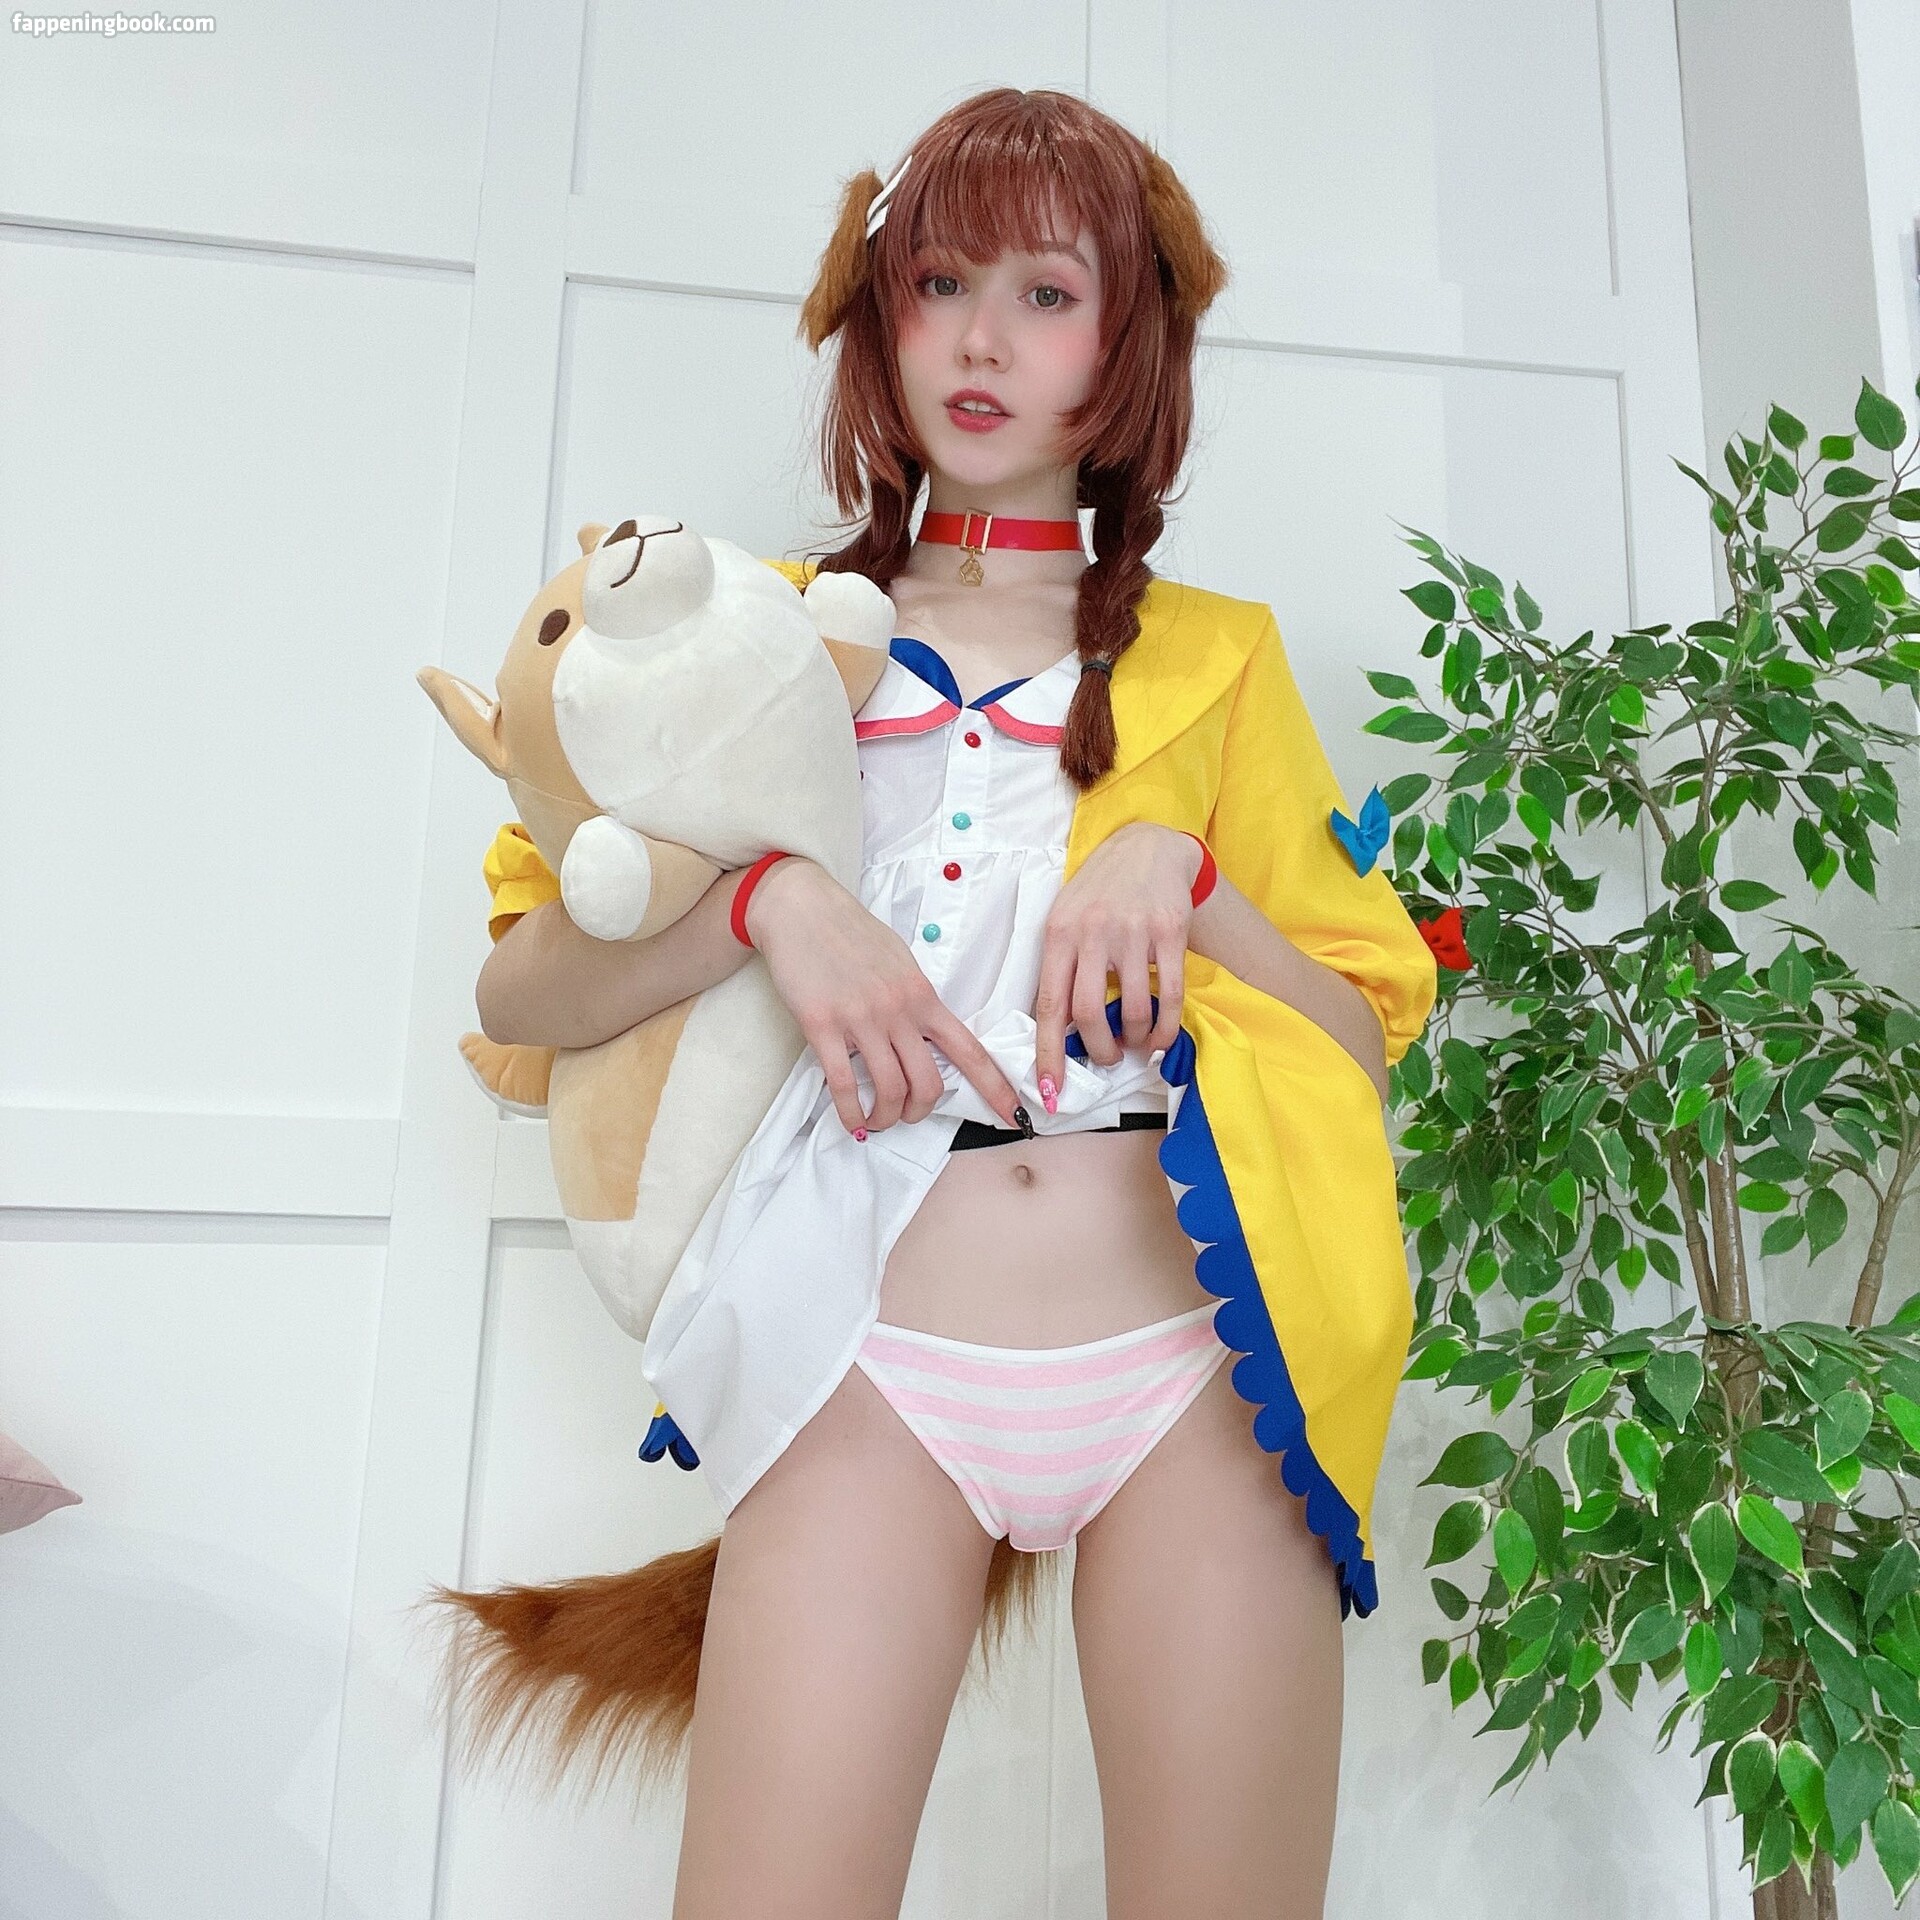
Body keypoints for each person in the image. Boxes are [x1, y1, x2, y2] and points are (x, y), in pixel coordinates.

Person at [447, 88, 1436, 1920]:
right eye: (941, 281)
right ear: (877, 309)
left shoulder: (1220, 660)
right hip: (865, 1358)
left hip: (1199, 1364)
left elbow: (1363, 1035)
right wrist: (770, 903)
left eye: (1047, 293)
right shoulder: (751, 635)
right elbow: (524, 984)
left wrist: (1189, 881)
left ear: (1125, 342)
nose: (983, 340)